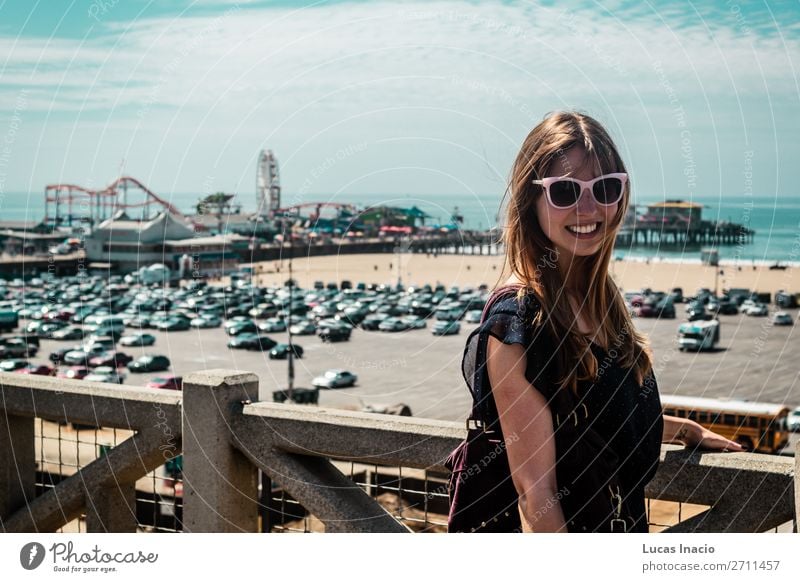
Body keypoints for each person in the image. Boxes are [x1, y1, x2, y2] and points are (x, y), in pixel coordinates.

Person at [458, 111, 742, 533]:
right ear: (529, 201)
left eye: (606, 188)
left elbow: (587, 424)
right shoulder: (517, 323)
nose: (589, 208)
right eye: (566, 191)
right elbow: (536, 495)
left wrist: (684, 431)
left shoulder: (603, 303)